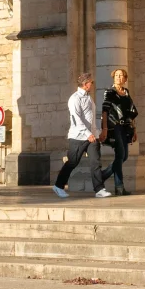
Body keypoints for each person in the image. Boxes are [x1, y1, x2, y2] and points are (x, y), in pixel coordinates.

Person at [52, 72, 112, 199]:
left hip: (91, 136)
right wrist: (87, 134)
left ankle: (99, 189)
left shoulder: (89, 97)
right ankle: (58, 186)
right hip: (78, 137)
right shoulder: (75, 98)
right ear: (85, 84)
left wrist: (97, 133)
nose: (92, 84)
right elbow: (76, 119)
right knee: (72, 162)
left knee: (95, 162)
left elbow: (90, 119)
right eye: (91, 82)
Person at [100, 68, 138, 196]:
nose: (118, 77)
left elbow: (130, 113)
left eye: (121, 75)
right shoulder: (109, 92)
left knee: (124, 156)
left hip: (125, 128)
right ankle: (119, 187)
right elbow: (105, 111)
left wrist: (134, 130)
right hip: (114, 127)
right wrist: (104, 129)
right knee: (120, 154)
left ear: (125, 79)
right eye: (116, 75)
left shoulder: (126, 93)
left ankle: (103, 176)